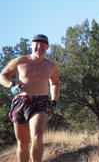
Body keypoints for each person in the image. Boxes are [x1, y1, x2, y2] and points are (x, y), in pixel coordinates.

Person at [0, 34, 60, 162]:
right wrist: (11, 85)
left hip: (41, 102)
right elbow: (3, 76)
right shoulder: (20, 61)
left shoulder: (51, 66)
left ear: (47, 47)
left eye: (43, 46)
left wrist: (54, 100)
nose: (39, 48)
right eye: (37, 45)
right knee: (22, 142)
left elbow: (54, 83)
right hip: (21, 101)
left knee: (37, 137)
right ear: (31, 45)